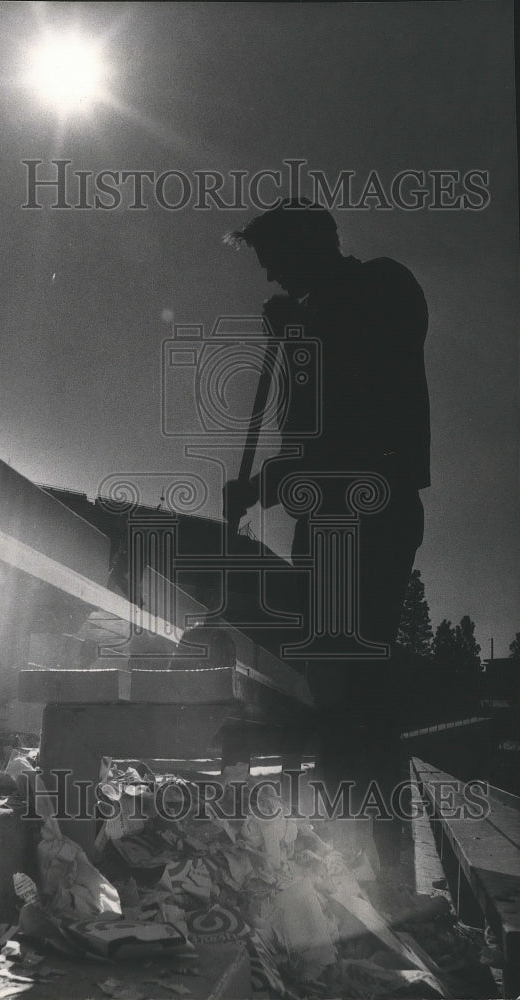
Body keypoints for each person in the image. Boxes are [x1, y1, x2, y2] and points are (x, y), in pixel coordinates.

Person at [225, 199, 430, 866]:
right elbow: (313, 439)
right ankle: (365, 866)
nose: (268, 279)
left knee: (352, 692)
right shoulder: (320, 314)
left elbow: (350, 427)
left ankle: (373, 870)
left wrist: (303, 328)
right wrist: (262, 487)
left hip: (364, 511)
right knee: (337, 687)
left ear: (308, 245)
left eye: (273, 261)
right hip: (326, 517)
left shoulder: (381, 284)